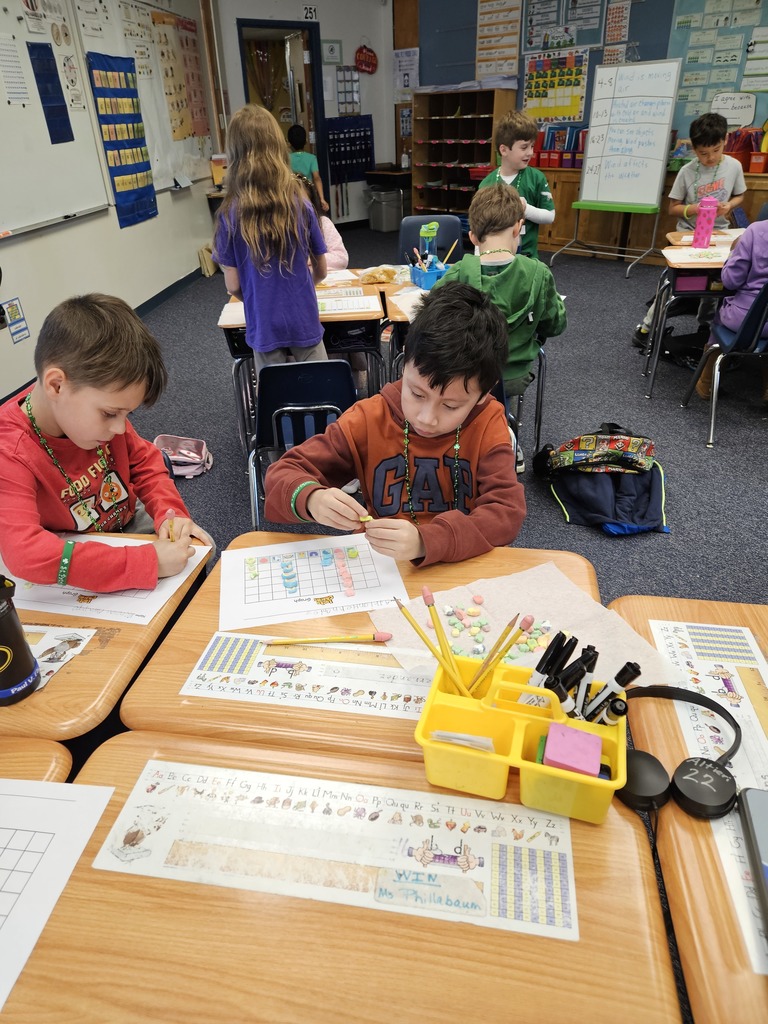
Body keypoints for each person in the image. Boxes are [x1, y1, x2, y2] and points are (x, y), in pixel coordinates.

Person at [264, 282, 526, 566]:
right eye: (416, 393)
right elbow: (282, 474)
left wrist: (426, 541)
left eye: (450, 406)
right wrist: (312, 498)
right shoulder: (368, 419)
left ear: (483, 394)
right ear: (404, 362)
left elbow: (506, 513)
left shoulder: (488, 423)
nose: (427, 417)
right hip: (384, 569)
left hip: (460, 565)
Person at [0, 294, 212, 593]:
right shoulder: (9, 450)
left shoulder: (101, 416)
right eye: (110, 413)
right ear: (56, 385)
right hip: (69, 543)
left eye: (127, 414)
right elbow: (25, 553)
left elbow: (146, 463)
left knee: (199, 551)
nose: (120, 427)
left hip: (123, 520)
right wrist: (141, 562)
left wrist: (170, 512)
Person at [213, 105, 328, 372]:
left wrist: (261, 298)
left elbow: (232, 286)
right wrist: (298, 291)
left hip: (263, 323)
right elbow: (321, 271)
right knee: (321, 387)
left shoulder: (229, 214)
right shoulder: (301, 206)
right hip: (304, 317)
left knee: (273, 396)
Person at [435, 184, 566, 409]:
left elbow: (433, 320)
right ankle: (505, 432)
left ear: (473, 237)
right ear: (518, 228)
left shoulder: (458, 272)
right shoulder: (539, 273)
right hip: (513, 375)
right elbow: (555, 326)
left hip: (465, 376)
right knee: (503, 409)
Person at [632, 112, 746, 349]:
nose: (710, 158)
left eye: (716, 150)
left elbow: (740, 196)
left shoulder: (734, 166)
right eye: (703, 153)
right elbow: (673, 207)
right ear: (693, 149)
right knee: (672, 281)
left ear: (724, 140)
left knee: (715, 283)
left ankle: (705, 326)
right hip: (688, 235)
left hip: (720, 235)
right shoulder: (687, 171)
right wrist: (693, 209)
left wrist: (729, 205)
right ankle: (645, 327)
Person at [695, 218, 768, 400]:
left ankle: (707, 383)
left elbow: (731, 281)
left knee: (721, 313)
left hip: (745, 321)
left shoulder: (755, 231)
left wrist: (732, 253)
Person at [476, 111, 554, 260]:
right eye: (524, 148)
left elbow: (550, 216)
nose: (530, 153)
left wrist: (526, 209)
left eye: (532, 146)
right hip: (494, 256)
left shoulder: (536, 177)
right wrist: (478, 258)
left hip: (527, 258)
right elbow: (480, 226)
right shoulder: (487, 184)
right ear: (504, 150)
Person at [295, 172, 349, 270]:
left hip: (323, 280)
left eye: (301, 203)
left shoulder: (322, 223)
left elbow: (341, 259)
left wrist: (305, 260)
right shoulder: (272, 228)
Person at [287, 123, 329, 212]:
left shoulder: (285, 158)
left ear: (289, 143)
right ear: (306, 141)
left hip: (292, 196)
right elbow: (317, 178)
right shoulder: (311, 158)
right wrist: (322, 199)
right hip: (309, 196)